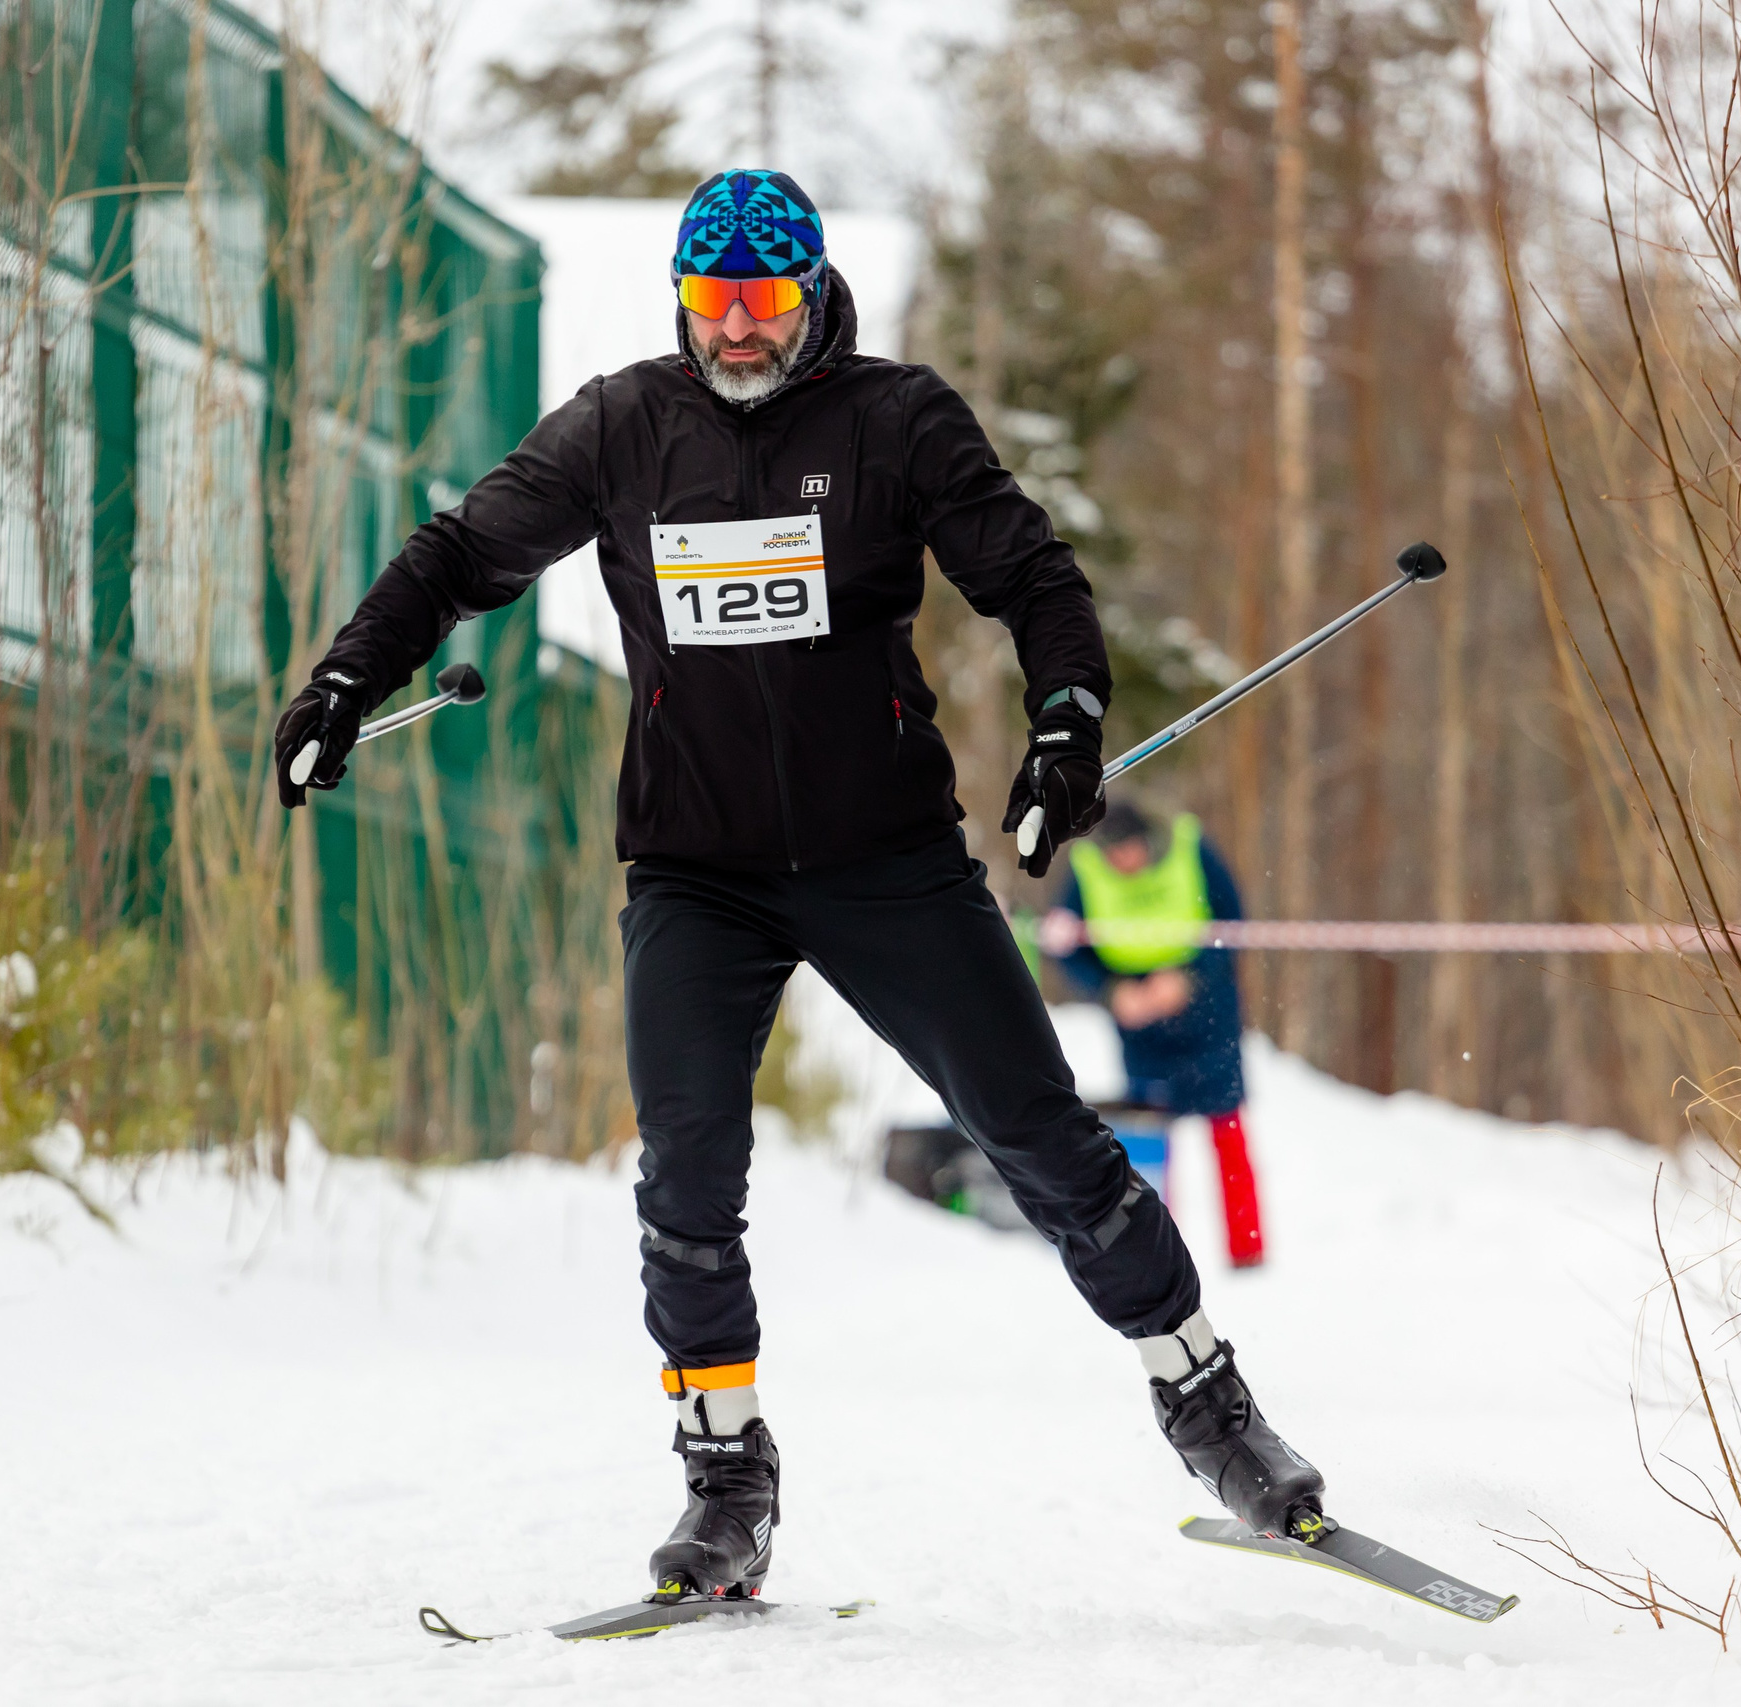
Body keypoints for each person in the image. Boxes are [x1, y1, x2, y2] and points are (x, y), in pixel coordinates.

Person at [273, 168, 1326, 1603]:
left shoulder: (895, 420)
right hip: (697, 870)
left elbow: (1032, 576)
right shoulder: (625, 424)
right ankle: (726, 1479)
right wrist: (347, 673)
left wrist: (1067, 720)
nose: (738, 332)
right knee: (687, 1173)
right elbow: (459, 552)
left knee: (1042, 1135)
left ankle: (1212, 1408)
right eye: (712, 302)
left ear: (816, 292)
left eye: (766, 302)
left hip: (880, 857)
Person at [1044, 800, 1267, 1268]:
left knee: (1226, 1126)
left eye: (1129, 851)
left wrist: (1189, 978)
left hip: (1206, 1009)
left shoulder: (1190, 845)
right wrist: (1111, 993)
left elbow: (1232, 921)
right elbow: (1063, 942)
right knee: (1147, 1140)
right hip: (1139, 1022)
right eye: (1114, 855)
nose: (1123, 863)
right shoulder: (1085, 868)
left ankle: (1248, 1252)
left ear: (1147, 841)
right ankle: (1159, 1256)